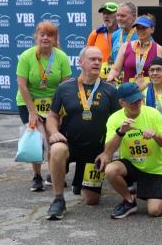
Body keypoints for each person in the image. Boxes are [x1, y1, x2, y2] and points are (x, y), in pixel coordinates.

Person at [44, 46, 120, 219]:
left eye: (99, 60)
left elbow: (117, 123)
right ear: (80, 62)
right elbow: (52, 115)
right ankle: (58, 199)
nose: (97, 62)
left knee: (91, 200)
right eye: (92, 59)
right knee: (57, 149)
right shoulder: (65, 88)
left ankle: (80, 182)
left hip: (95, 150)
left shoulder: (110, 90)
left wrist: (108, 152)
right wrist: (54, 132)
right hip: (69, 144)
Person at [102, 82, 162, 219]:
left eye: (139, 100)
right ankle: (129, 201)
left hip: (154, 169)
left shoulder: (153, 114)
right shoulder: (114, 118)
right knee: (110, 170)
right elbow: (108, 152)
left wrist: (155, 136)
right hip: (131, 166)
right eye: (132, 102)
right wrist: (120, 132)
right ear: (122, 102)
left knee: (155, 211)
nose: (137, 104)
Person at [15, 21, 72, 192]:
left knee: (52, 139)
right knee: (37, 138)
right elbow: (22, 86)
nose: (45, 38)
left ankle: (53, 175)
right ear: (36, 36)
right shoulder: (26, 56)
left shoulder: (61, 57)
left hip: (53, 103)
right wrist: (32, 112)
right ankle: (37, 176)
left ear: (55, 38)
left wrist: (60, 110)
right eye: (42, 34)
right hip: (28, 102)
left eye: (50, 35)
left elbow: (66, 86)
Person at [109, 15, 162, 88]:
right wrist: (111, 76)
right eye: (138, 28)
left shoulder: (159, 50)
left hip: (150, 92)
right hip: (129, 92)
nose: (140, 30)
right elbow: (116, 69)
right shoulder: (125, 47)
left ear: (152, 29)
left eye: (144, 28)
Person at [87, 2, 118, 78]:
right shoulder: (95, 34)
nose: (106, 16)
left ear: (118, 15)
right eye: (104, 13)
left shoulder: (124, 34)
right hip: (100, 79)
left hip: (119, 78)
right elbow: (87, 57)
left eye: (109, 13)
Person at [109, 2, 137, 68]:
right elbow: (112, 59)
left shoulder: (142, 35)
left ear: (134, 16)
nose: (119, 18)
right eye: (117, 15)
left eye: (123, 16)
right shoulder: (114, 35)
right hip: (117, 73)